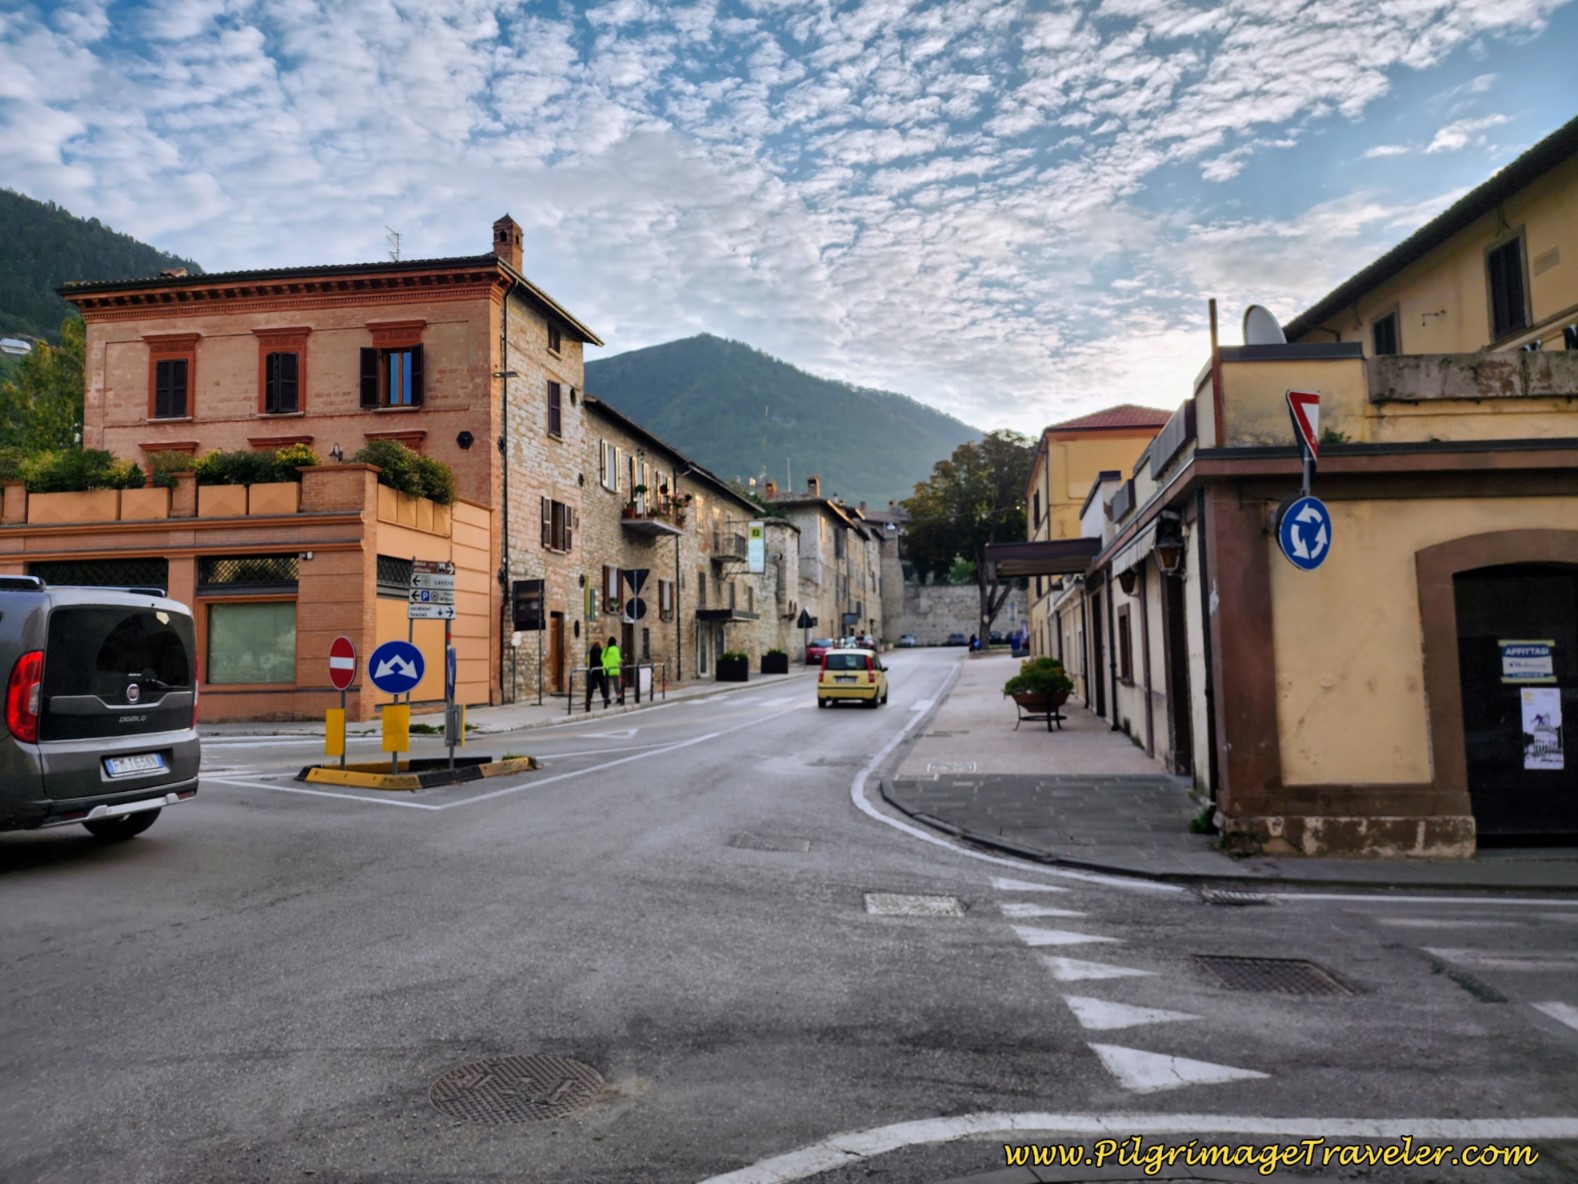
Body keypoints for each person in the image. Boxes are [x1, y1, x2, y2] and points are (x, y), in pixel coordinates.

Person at [586, 638, 608, 709]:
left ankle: (588, 701)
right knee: (602, 685)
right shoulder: (601, 651)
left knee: (591, 687)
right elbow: (602, 660)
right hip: (599, 670)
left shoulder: (591, 652)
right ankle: (605, 700)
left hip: (593, 670)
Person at [602, 635, 624, 705]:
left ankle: (608, 699)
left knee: (607, 686)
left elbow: (602, 658)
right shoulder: (616, 649)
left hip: (607, 670)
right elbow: (618, 659)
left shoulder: (605, 650)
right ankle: (619, 697)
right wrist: (621, 660)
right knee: (616, 685)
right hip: (614, 670)